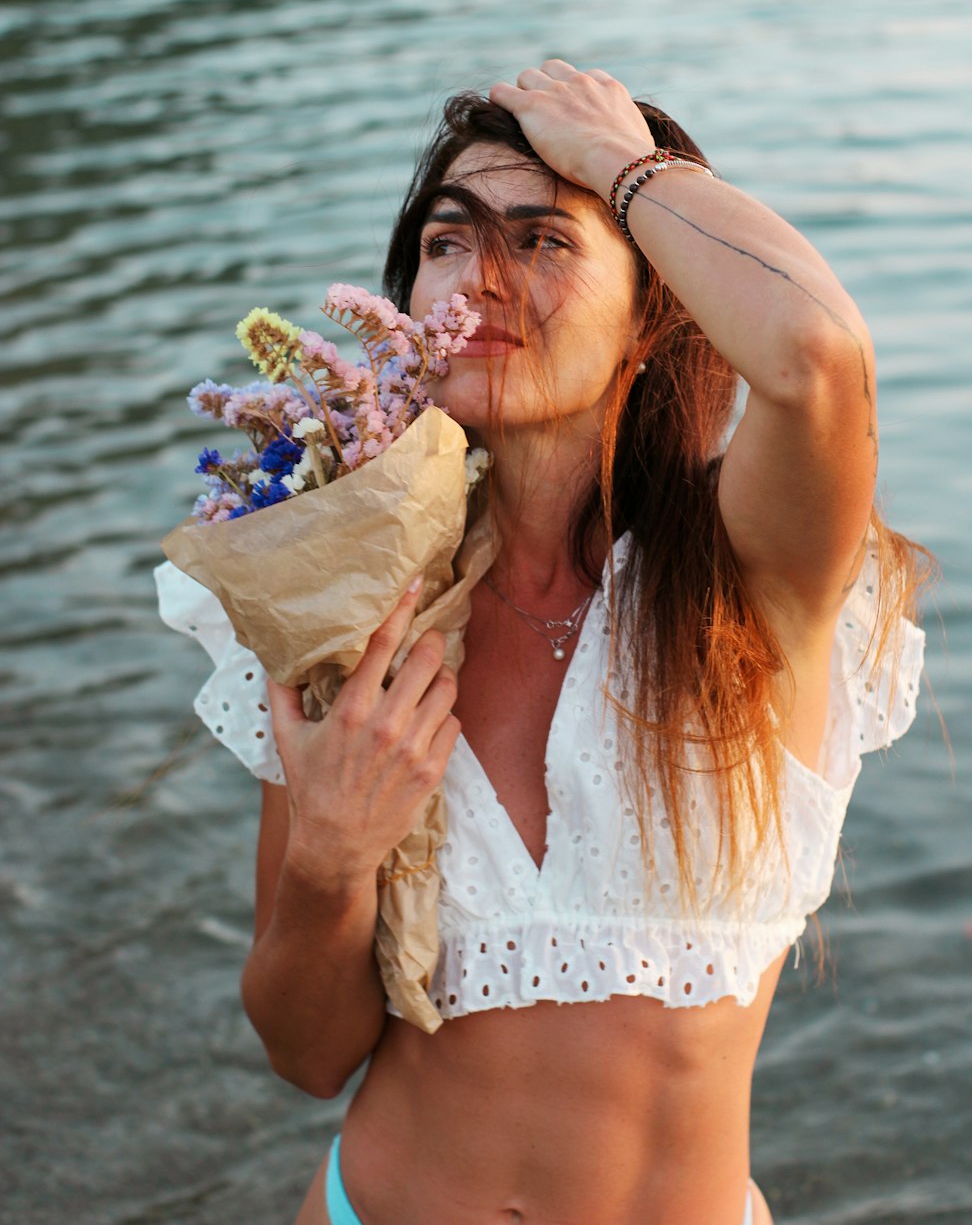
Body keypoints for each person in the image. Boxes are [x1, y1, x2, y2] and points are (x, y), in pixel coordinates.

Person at [163, 61, 928, 1224]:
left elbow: (819, 359)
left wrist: (623, 166)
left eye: (544, 241)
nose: (481, 281)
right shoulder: (357, 604)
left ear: (653, 311)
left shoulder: (757, 579)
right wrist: (330, 850)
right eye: (448, 240)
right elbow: (306, 1056)